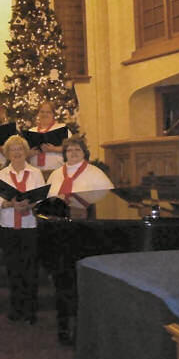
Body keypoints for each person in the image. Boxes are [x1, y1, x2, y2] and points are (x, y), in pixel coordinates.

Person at [46, 135, 113, 345]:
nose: (73, 153)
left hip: (88, 236)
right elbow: (47, 202)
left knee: (81, 282)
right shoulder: (56, 174)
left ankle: (84, 327)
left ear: (84, 153)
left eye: (77, 150)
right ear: (64, 153)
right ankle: (63, 325)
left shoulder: (96, 174)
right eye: (69, 150)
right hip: (60, 236)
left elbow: (108, 203)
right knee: (62, 281)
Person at [0, 135, 45, 325]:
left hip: (29, 225)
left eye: (20, 149)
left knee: (30, 269)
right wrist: (10, 204)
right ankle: (16, 308)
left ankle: (30, 310)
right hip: (8, 225)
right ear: (7, 154)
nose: (16, 152)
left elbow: (42, 197)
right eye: (13, 149)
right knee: (13, 269)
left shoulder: (35, 173)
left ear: (26, 152)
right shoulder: (2, 174)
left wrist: (30, 204)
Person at [27, 101, 71, 179]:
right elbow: (23, 153)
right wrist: (30, 153)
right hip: (36, 173)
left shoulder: (62, 128)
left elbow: (72, 148)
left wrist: (54, 149)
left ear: (53, 114)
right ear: (38, 114)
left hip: (57, 172)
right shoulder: (31, 131)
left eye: (48, 112)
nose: (45, 114)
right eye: (42, 112)